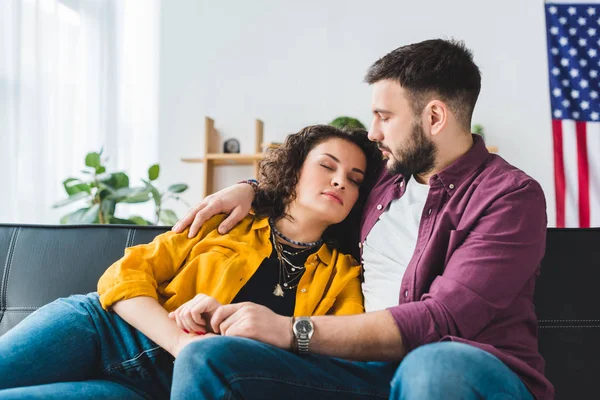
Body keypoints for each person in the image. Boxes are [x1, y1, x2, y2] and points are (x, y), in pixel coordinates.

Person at [171, 39, 554, 400]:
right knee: (208, 356)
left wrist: (291, 330)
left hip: (466, 370)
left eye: (384, 117)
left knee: (433, 364)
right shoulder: (380, 174)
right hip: (362, 371)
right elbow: (312, 176)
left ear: (435, 117)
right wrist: (250, 188)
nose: (373, 133)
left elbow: (442, 321)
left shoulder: (510, 196)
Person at [0, 125, 382, 399]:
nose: (339, 182)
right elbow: (123, 276)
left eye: (354, 178)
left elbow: (332, 355)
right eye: (327, 166)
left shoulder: (343, 274)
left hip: (153, 388)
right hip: (101, 330)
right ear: (295, 171)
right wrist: (181, 343)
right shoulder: (226, 220)